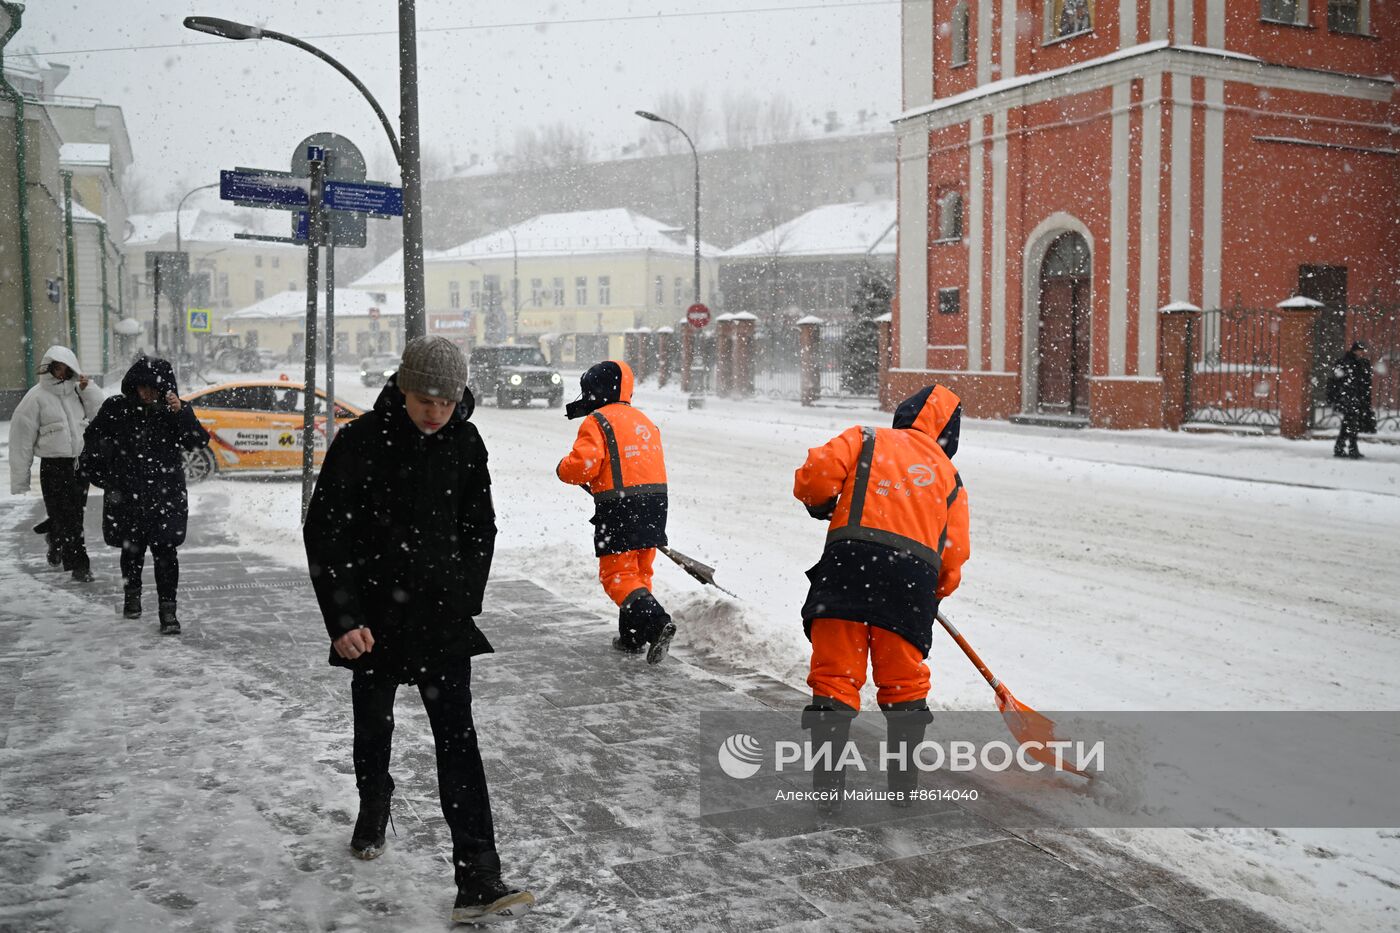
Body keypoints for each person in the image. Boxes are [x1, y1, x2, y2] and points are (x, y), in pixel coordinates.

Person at [303, 336, 533, 925]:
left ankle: (478, 877)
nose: (435, 411)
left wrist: (462, 600)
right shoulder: (360, 441)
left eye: (447, 400)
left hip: (439, 622)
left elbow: (480, 526)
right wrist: (343, 618)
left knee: (458, 742)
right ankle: (374, 804)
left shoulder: (465, 441)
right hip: (373, 622)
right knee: (372, 723)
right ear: (402, 387)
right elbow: (326, 532)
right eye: (425, 397)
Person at [792, 384, 970, 811]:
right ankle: (902, 786)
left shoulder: (866, 438)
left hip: (847, 569)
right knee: (904, 681)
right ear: (950, 435)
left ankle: (828, 788)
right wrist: (935, 592)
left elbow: (816, 474)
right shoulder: (949, 477)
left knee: (835, 675)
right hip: (909, 586)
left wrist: (819, 501)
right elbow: (954, 552)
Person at [556, 359, 677, 664]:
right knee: (639, 573)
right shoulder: (643, 420)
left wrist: (562, 468)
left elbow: (584, 464)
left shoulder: (597, 421)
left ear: (594, 391)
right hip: (656, 505)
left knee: (617, 576)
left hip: (620, 507)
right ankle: (632, 637)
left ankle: (657, 622)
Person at [79, 356, 208, 632]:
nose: (147, 393)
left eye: (153, 388)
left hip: (165, 497)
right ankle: (132, 598)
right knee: (132, 551)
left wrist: (182, 412)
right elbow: (92, 442)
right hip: (128, 497)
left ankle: (168, 612)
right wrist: (106, 478)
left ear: (165, 388)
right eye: (142, 387)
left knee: (166, 554)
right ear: (133, 386)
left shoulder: (173, 412)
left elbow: (198, 442)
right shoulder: (117, 408)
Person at [9, 346, 105, 581]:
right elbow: (21, 439)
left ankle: (56, 536)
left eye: (65, 368)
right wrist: (20, 480)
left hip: (78, 465)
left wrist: (89, 389)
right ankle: (78, 564)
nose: (61, 373)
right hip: (53, 467)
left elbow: (100, 416)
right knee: (66, 516)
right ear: (49, 368)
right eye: (57, 368)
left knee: (74, 517)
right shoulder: (35, 398)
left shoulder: (79, 392)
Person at [1327, 341, 1376, 459]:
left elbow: (1365, 383)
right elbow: (1336, 380)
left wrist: (1365, 398)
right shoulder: (1345, 362)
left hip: (1357, 398)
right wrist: (1337, 396)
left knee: (1348, 424)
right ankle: (1352, 448)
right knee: (1352, 424)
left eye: (1362, 350)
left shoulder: (1363, 363)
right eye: (1359, 350)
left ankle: (1340, 447)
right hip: (1348, 399)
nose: (1361, 352)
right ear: (1354, 350)